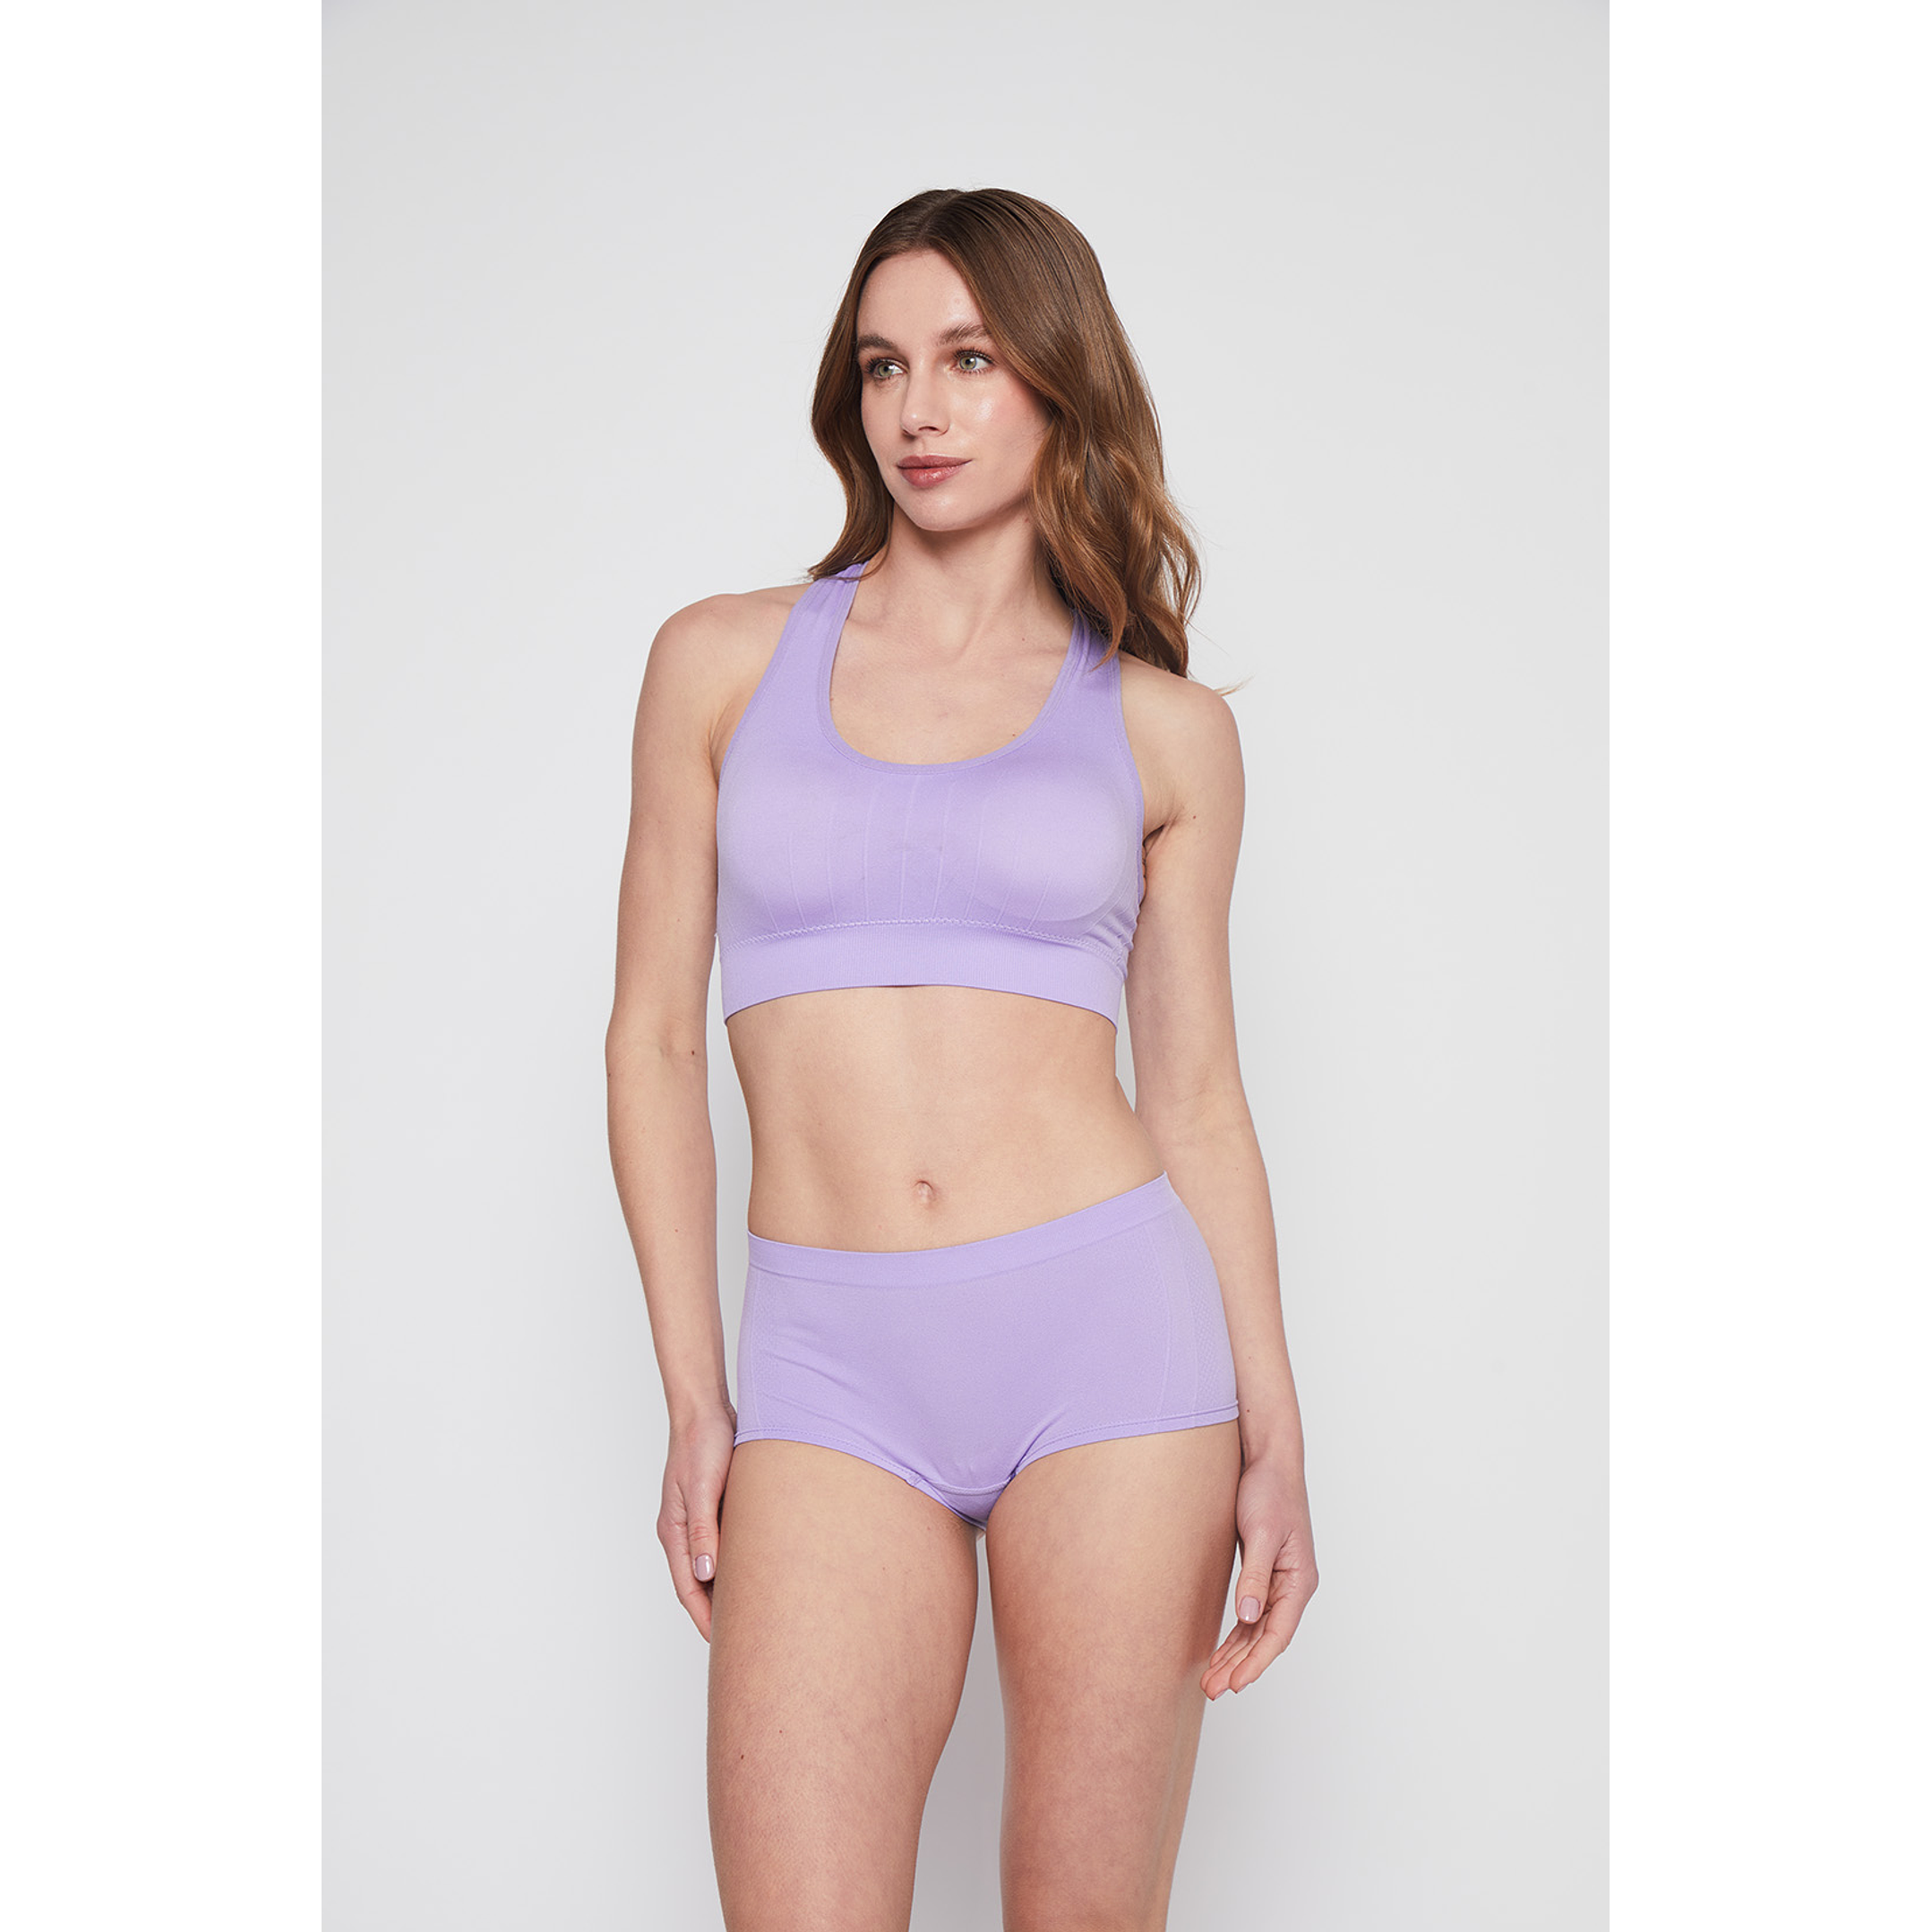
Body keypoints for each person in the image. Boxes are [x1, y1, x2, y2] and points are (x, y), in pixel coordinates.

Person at [606, 187, 1317, 1932]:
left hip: (1114, 1356)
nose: (917, 410)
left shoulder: (1166, 730)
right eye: (882, 366)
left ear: (1060, 379)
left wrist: (1277, 1425)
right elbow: (651, 1036)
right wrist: (695, 1393)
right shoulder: (718, 664)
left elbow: (1199, 1099)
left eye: (969, 360)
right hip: (829, 1368)